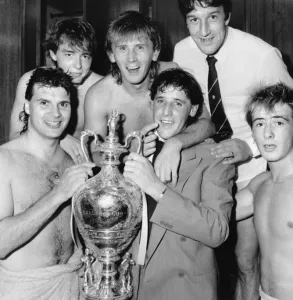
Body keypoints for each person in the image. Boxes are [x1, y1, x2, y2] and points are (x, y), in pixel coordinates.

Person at [173, 0, 293, 298]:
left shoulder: (261, 55)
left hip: (253, 168)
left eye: (212, 17)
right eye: (194, 19)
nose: (203, 31)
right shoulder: (181, 51)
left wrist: (251, 146)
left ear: (227, 15)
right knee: (200, 252)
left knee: (245, 259)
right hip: (208, 167)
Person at [123, 68, 235, 300]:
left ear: (193, 109)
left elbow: (217, 230)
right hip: (132, 283)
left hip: (182, 289)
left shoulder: (213, 157)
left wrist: (156, 188)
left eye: (178, 103)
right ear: (151, 103)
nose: (166, 111)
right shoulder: (137, 149)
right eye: (161, 101)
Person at [84, 10, 214, 185]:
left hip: (173, 177)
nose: (132, 59)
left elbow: (207, 124)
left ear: (155, 52)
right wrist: (127, 154)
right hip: (124, 184)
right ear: (111, 55)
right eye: (123, 48)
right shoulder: (99, 96)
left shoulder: (170, 74)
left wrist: (174, 144)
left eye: (139, 47)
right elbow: (92, 155)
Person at [0, 67, 95, 299]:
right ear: (27, 107)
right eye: (44, 103)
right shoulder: (4, 160)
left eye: (63, 104)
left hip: (72, 283)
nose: (56, 114)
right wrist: (58, 194)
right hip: (24, 289)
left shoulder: (74, 161)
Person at [235, 83, 293, 300]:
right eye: (260, 123)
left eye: (279, 123)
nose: (268, 133)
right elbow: (212, 218)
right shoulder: (259, 185)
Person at [9, 18, 103, 164]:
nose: (78, 66)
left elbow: (101, 149)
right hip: (39, 163)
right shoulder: (32, 81)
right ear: (53, 54)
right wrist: (61, 138)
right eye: (69, 54)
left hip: (84, 168)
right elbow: (15, 137)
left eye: (84, 56)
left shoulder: (100, 87)